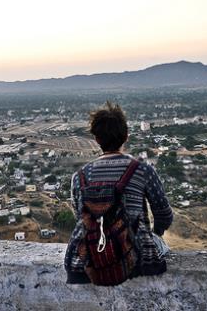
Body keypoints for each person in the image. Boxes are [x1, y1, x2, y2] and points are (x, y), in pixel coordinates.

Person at [64, 101, 173, 285]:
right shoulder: (142, 171)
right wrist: (156, 232)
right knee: (159, 244)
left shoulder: (80, 177)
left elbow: (80, 217)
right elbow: (164, 214)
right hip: (137, 259)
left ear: (97, 139)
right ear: (126, 136)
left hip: (83, 262)